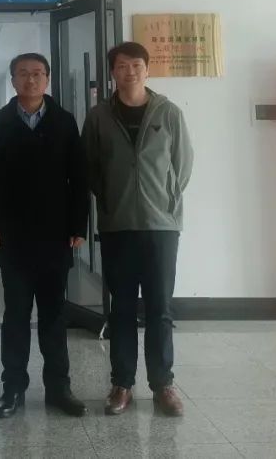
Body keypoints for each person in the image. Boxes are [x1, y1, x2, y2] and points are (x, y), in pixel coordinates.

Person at [83, 42, 194, 418]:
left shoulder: (168, 112)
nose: (129, 71)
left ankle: (163, 384)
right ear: (112, 72)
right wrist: (110, 201)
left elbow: (182, 164)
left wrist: (165, 200)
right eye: (121, 66)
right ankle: (122, 384)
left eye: (135, 65)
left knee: (160, 307)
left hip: (161, 226)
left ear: (147, 70)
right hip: (118, 226)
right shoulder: (99, 116)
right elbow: (90, 167)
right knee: (122, 309)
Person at [0, 53, 89, 419]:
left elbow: (79, 178)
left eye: (37, 73)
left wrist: (79, 226)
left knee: (54, 316)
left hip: (56, 235)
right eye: (23, 74)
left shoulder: (63, 121)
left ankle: (59, 388)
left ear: (47, 79)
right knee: (16, 315)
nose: (30, 80)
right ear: (13, 80)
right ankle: (13, 388)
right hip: (13, 236)